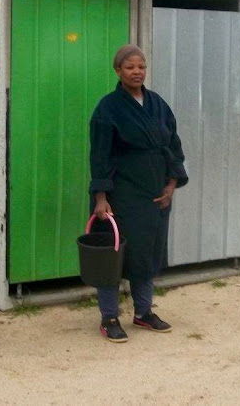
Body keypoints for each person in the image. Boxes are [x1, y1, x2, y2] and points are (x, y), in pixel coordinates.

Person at [88, 44, 188, 343]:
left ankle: (143, 312)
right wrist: (101, 198)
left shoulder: (158, 104)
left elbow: (173, 144)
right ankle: (109, 317)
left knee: (147, 253)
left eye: (141, 66)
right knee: (113, 255)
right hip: (121, 196)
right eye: (130, 67)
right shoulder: (108, 109)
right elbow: (100, 156)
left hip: (155, 197)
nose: (137, 72)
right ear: (118, 71)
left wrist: (171, 184)